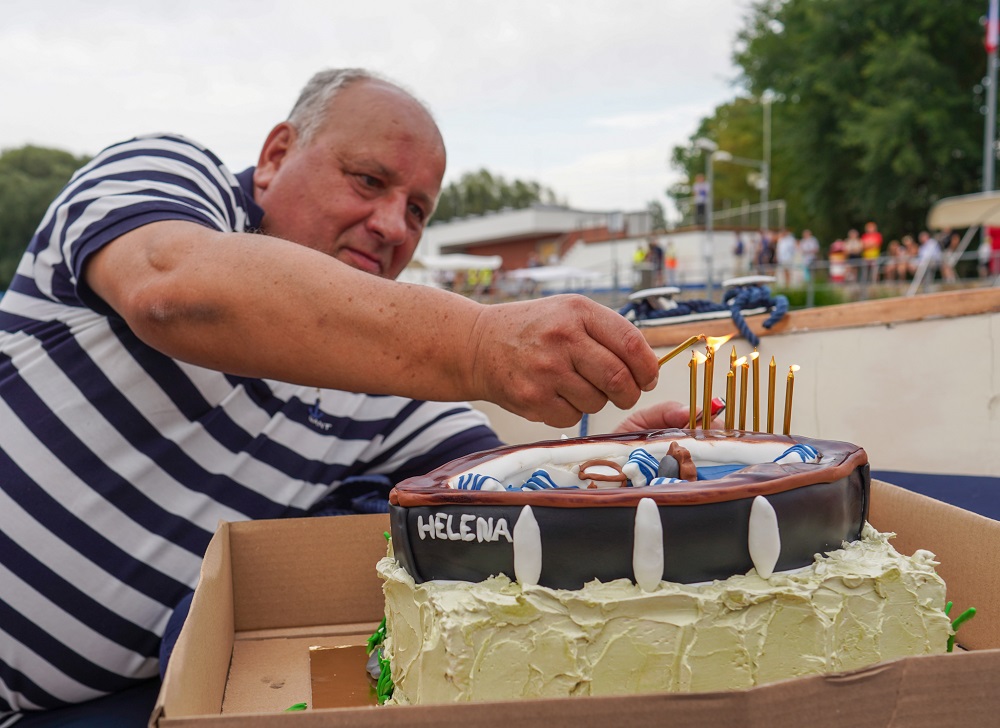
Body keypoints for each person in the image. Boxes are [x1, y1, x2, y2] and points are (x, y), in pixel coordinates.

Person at [0, 68, 692, 723]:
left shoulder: (390, 386)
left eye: (417, 210)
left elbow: (503, 497)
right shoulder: (165, 172)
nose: (393, 226)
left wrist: (610, 470)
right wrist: (480, 343)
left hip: (104, 707)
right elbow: (171, 289)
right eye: (368, 180)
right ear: (275, 155)